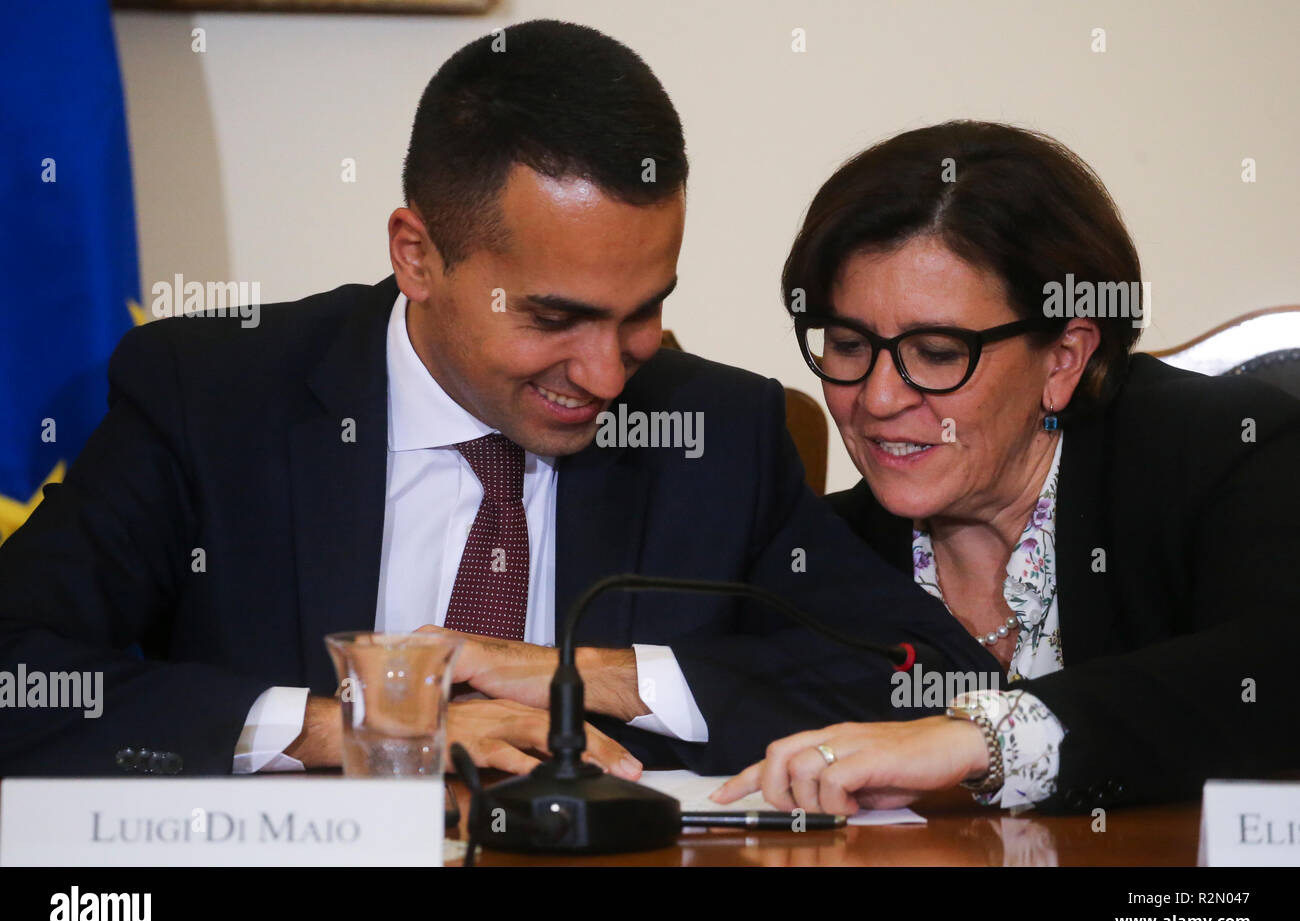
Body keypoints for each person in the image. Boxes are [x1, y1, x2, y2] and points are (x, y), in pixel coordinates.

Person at [0, 23, 994, 779]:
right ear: (418, 254)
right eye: (554, 316)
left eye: (643, 312)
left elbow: (936, 676)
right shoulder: (212, 397)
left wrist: (602, 676)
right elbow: (18, 669)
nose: (608, 374)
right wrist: (346, 729)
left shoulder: (714, 433)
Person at [713, 121, 1300, 814]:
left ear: (1064, 358)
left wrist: (980, 738)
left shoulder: (1223, 451)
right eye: (847, 344)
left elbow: (1271, 676)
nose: (876, 398)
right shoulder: (819, 551)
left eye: (935, 353)